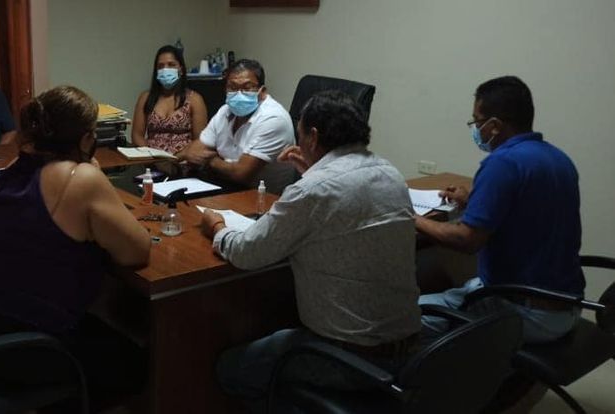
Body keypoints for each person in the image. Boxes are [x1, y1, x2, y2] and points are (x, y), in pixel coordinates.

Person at [201, 90, 421, 413]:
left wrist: (218, 228)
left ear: (313, 136)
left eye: (300, 133)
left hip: (347, 358)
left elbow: (247, 253)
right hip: (410, 352)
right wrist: (311, 174)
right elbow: (343, 210)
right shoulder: (390, 173)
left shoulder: (313, 190)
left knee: (230, 368)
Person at [0, 86, 151, 411]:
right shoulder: (80, 177)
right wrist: (95, 178)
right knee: (141, 362)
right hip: (28, 348)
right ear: (86, 139)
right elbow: (137, 252)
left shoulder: (10, 170)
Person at [417, 76, 583, 344]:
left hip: (525, 312)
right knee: (447, 289)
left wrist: (411, 217)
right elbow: (528, 214)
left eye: (476, 122)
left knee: (401, 319)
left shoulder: (503, 163)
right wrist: (473, 202)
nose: (475, 129)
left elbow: (466, 240)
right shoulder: (558, 158)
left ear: (494, 126)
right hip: (563, 305)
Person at [181, 59, 295, 192]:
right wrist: (183, 156)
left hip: (263, 197)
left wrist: (210, 160)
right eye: (232, 87)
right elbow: (196, 150)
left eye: (247, 87)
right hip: (225, 186)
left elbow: (241, 174)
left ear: (262, 92)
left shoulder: (273, 118)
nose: (239, 93)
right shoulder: (225, 111)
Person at [130, 45, 208, 155]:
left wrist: (178, 158)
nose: (165, 69)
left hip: (183, 161)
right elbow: (136, 135)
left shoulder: (195, 100)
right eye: (160, 66)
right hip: (151, 159)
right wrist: (152, 155)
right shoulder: (145, 98)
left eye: (171, 65)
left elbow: (200, 141)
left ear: (181, 69)